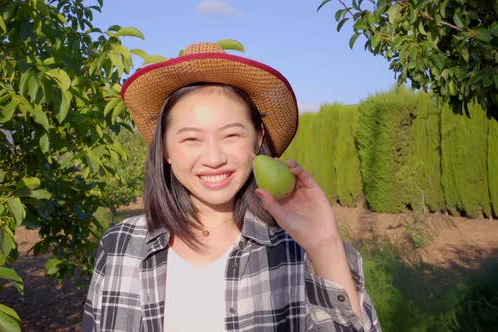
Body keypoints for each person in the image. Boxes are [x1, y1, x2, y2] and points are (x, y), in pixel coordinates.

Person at [82, 42, 381, 331]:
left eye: (231, 135)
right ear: (165, 150)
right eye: (191, 139)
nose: (213, 158)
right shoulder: (121, 245)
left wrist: (324, 245)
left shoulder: (296, 252)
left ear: (258, 136)